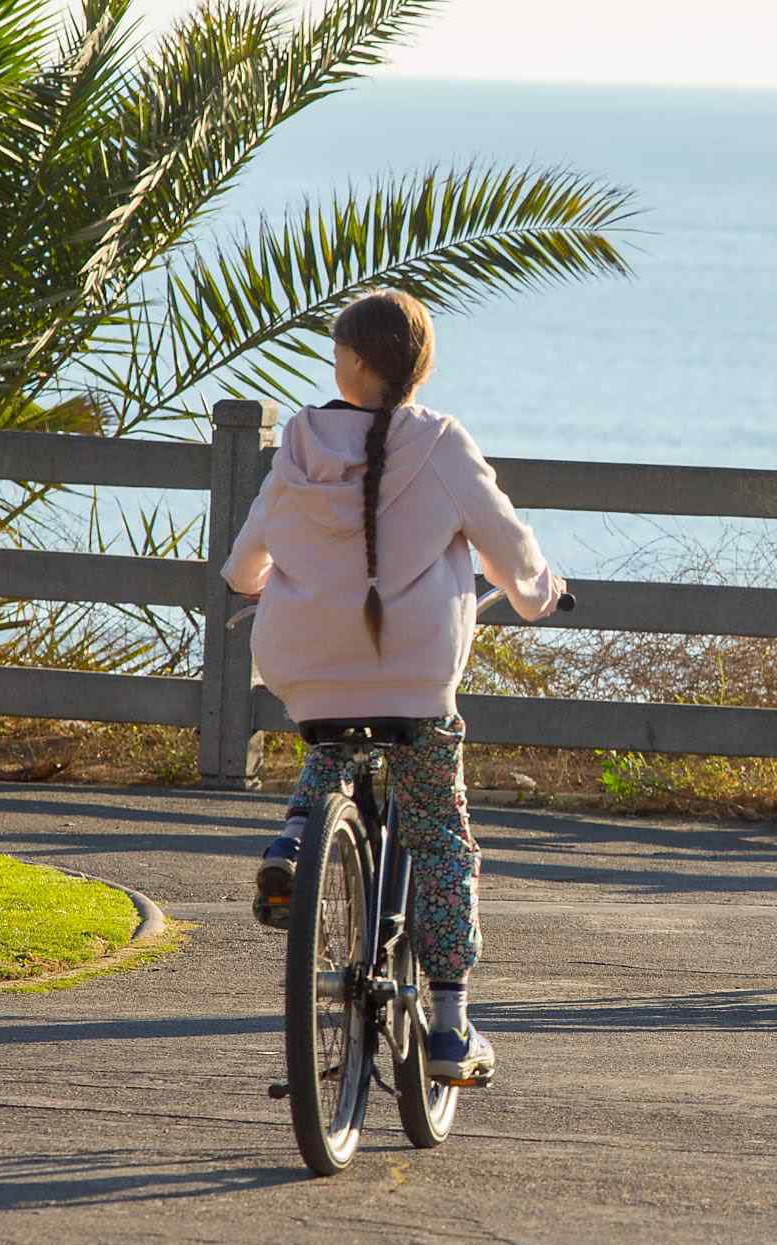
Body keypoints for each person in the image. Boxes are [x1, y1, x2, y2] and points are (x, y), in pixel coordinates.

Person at [221, 289, 567, 1084]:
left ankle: (297, 836)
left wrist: (266, 579)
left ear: (349, 363)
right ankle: (448, 1028)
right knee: (440, 832)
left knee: (328, 740)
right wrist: (540, 592)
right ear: (417, 367)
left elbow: (244, 567)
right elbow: (509, 548)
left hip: (305, 665)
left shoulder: (300, 443)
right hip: (413, 678)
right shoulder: (441, 442)